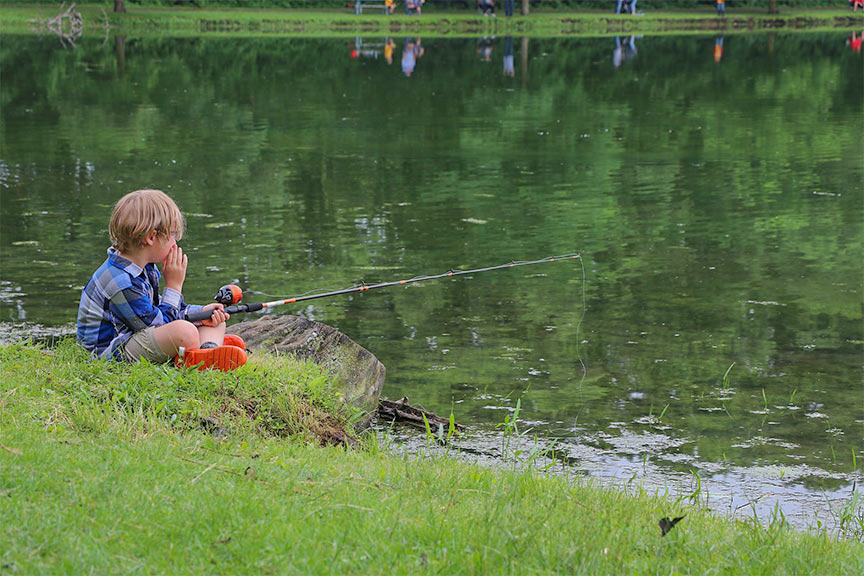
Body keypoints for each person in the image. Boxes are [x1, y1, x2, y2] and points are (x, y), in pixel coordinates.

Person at [77, 189, 247, 371]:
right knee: (184, 331)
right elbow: (156, 324)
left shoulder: (144, 266)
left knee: (214, 317)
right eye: (173, 235)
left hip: (139, 332)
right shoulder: (120, 281)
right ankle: (202, 350)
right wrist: (174, 286)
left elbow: (162, 311)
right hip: (111, 352)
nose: (175, 243)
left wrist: (202, 313)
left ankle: (207, 350)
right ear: (151, 237)